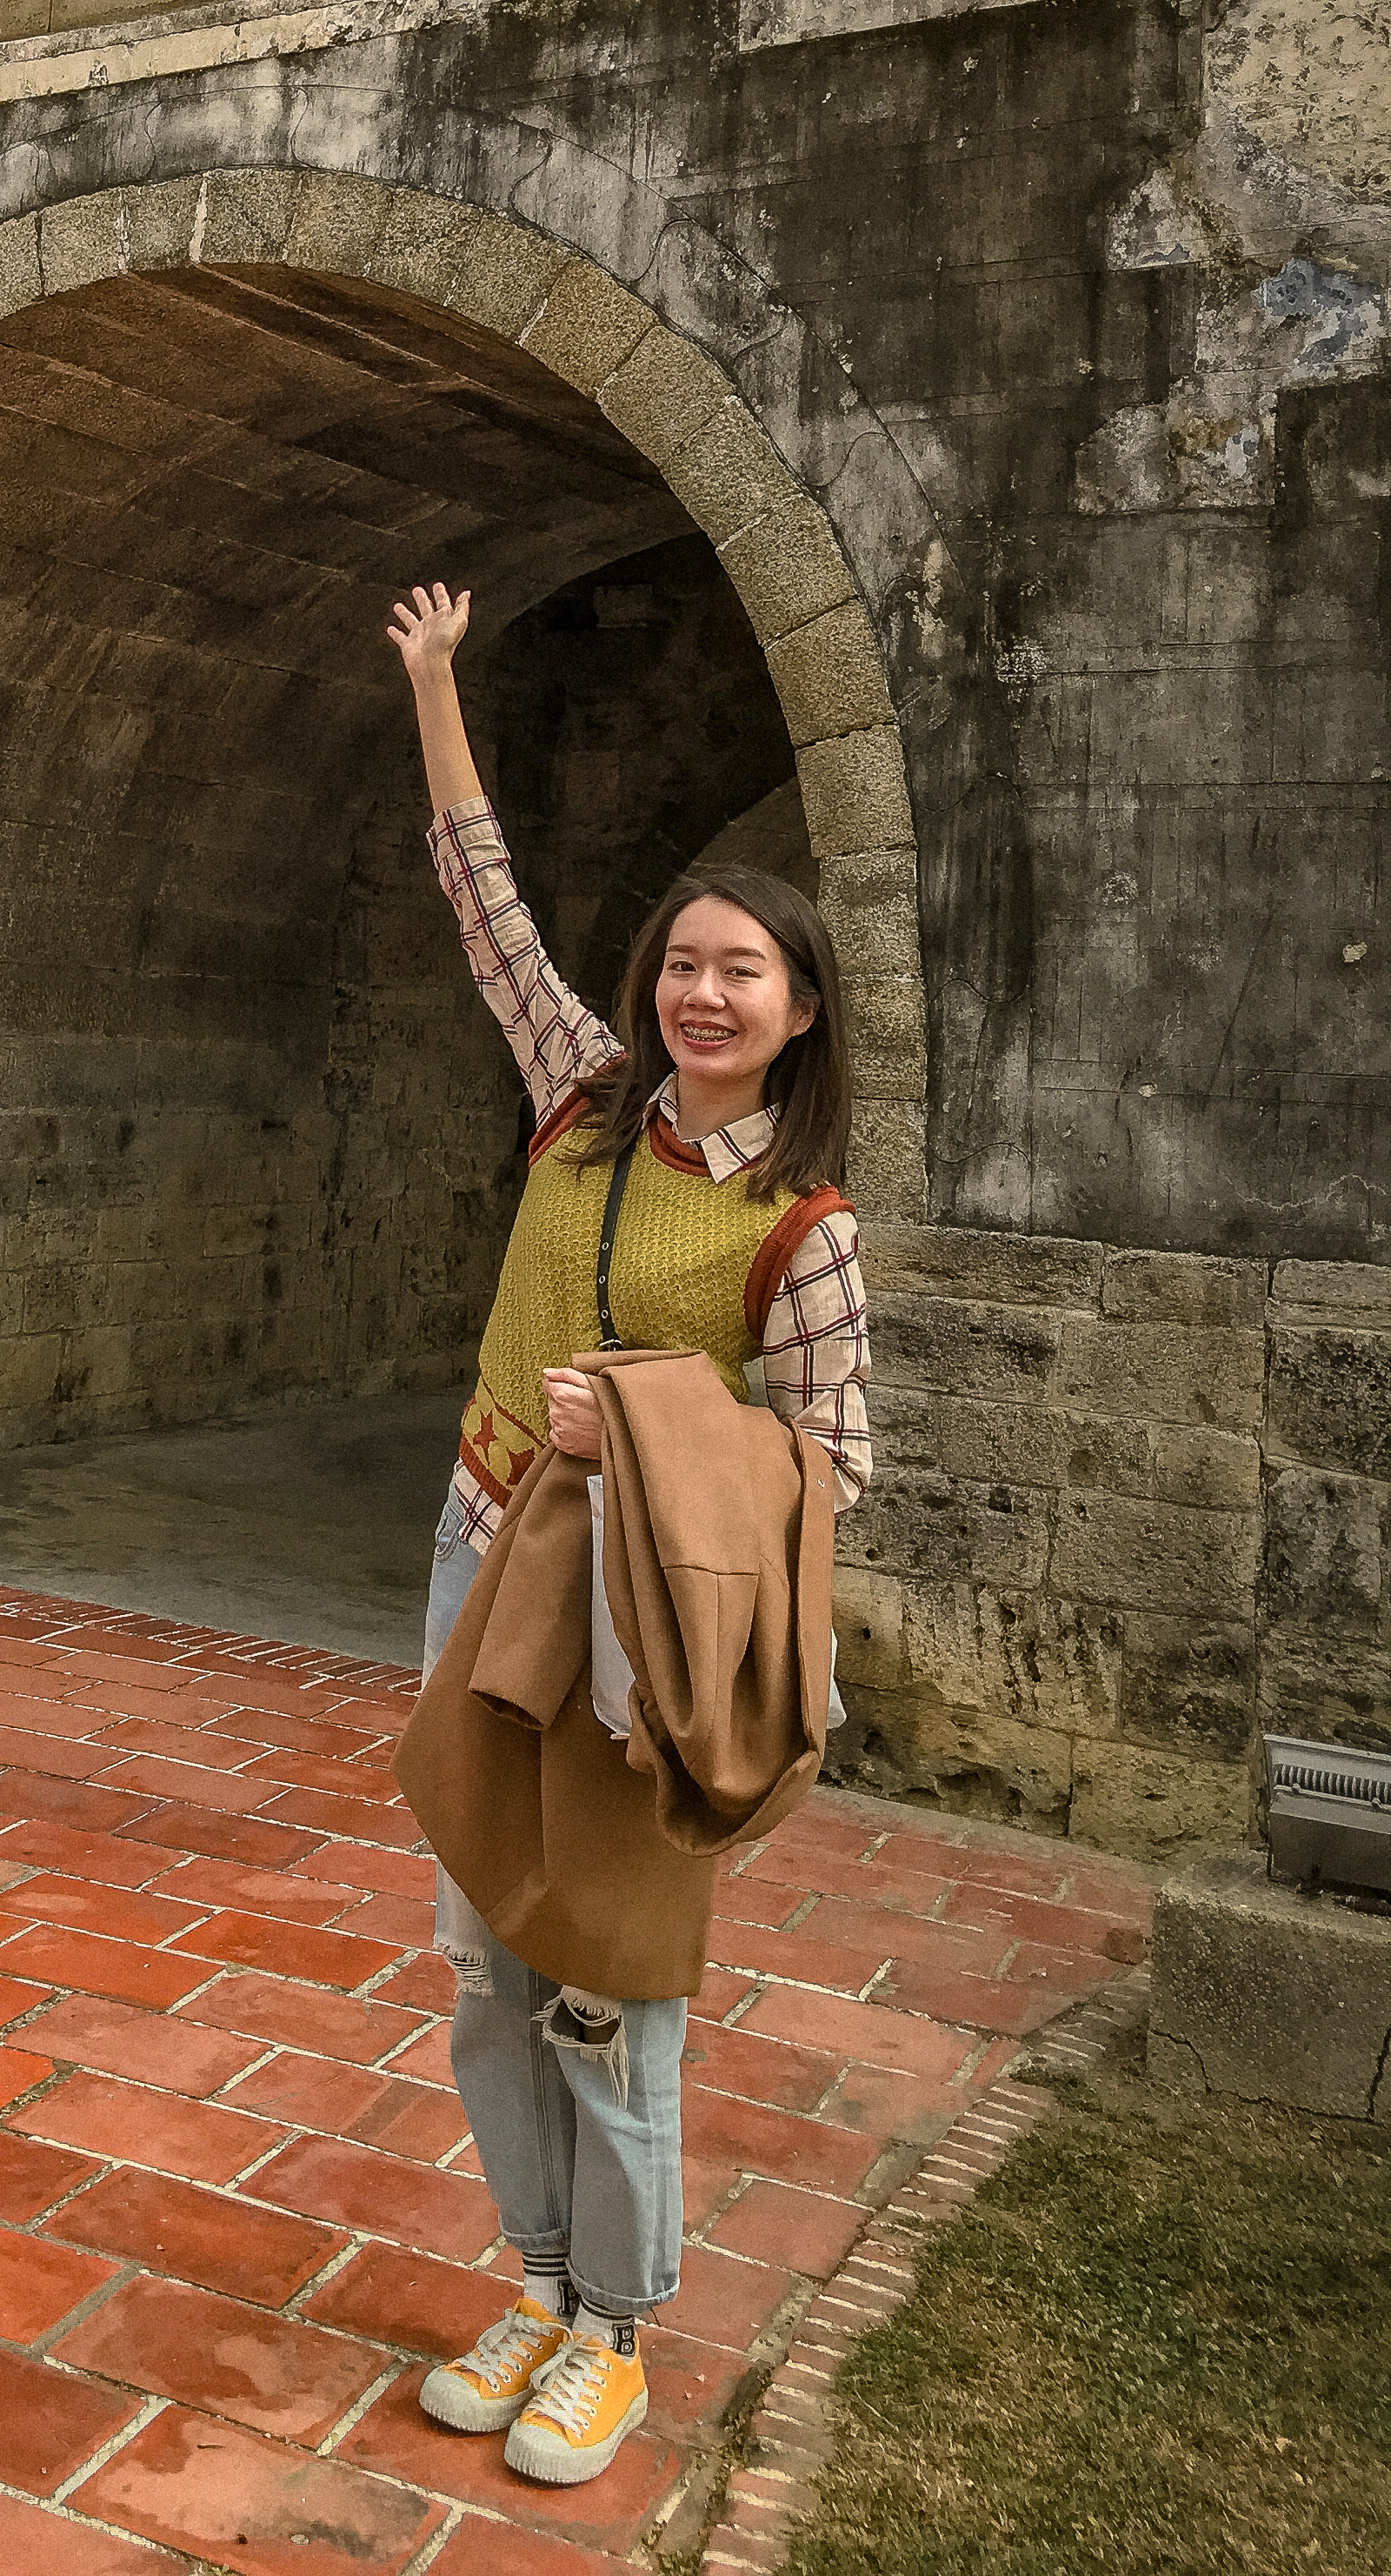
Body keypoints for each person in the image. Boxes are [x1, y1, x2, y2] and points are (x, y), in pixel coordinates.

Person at [386, 578, 872, 2489]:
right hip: (479, 1547)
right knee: (481, 1953)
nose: (703, 992)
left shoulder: (805, 1232)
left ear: (800, 1006)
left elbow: (833, 1471)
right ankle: (533, 2276)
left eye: (743, 969)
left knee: (612, 1968)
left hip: (634, 1626)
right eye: (685, 961)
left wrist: (660, 1423)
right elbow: (479, 890)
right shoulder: (583, 1104)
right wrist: (436, 683)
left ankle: (614, 2330)